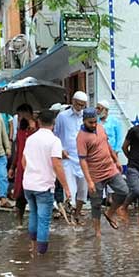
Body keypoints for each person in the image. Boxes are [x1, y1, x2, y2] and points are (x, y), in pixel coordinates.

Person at [22, 107, 72, 254]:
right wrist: (67, 188)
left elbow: (24, 161)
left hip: (29, 184)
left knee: (33, 214)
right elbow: (57, 165)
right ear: (54, 123)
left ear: (38, 122)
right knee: (43, 220)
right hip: (44, 187)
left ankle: (33, 247)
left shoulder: (30, 139)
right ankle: (41, 254)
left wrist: (32, 172)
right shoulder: (54, 141)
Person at [78, 107, 128, 237]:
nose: (94, 125)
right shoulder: (81, 137)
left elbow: (107, 145)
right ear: (84, 121)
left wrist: (116, 160)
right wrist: (89, 181)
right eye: (90, 122)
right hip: (95, 175)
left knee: (124, 191)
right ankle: (98, 233)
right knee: (96, 204)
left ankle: (110, 213)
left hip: (110, 169)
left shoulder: (100, 127)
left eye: (95, 121)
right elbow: (82, 161)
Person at [54, 91, 91, 221]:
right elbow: (56, 135)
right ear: (73, 102)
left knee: (83, 189)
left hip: (83, 158)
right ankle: (69, 213)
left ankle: (77, 214)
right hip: (67, 158)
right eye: (78, 104)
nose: (80, 107)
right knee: (70, 188)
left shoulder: (86, 118)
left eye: (83, 105)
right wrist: (60, 150)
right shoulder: (62, 117)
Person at [10, 104, 38, 224]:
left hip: (36, 165)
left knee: (36, 194)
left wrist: (34, 127)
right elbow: (18, 149)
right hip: (22, 167)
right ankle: (19, 222)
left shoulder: (38, 127)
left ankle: (36, 221)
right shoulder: (20, 129)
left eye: (22, 114)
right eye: (19, 115)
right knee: (20, 195)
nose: (21, 117)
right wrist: (12, 167)